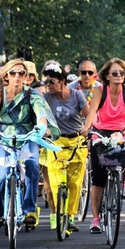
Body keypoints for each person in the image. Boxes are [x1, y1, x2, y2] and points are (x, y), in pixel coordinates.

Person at [0, 58, 57, 229]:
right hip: (3, 138)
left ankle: (29, 209)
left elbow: (41, 113)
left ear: (25, 76)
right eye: (13, 73)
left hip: (28, 136)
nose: (17, 76)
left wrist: (42, 126)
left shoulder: (32, 94)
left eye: (21, 73)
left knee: (33, 165)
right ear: (6, 76)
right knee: (1, 175)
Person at [81, 58, 125, 234]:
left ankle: (122, 180)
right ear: (107, 76)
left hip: (122, 132)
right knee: (98, 179)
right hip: (101, 133)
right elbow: (92, 111)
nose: (119, 75)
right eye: (115, 73)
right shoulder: (100, 91)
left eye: (122, 73)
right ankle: (95, 219)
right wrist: (87, 128)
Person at [41, 62, 89, 231]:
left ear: (62, 81)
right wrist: (44, 129)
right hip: (55, 141)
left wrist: (87, 129)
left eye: (52, 82)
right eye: (46, 82)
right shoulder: (47, 98)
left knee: (74, 183)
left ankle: (70, 216)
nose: (48, 85)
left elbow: (89, 115)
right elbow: (41, 117)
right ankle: (57, 214)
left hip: (75, 141)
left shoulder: (77, 95)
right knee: (54, 183)